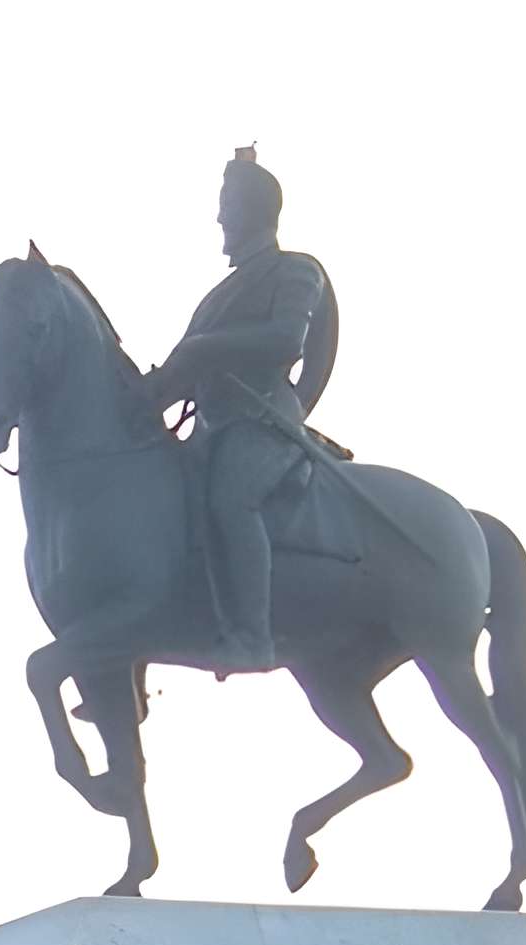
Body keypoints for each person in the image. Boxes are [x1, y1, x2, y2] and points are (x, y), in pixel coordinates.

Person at [143, 146, 336, 673]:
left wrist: (205, 350)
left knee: (232, 501)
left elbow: (286, 342)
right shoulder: (218, 295)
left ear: (255, 209)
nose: (221, 216)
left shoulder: (296, 270)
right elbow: (181, 370)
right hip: (211, 429)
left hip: (262, 423)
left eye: (229, 203)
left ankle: (252, 636)